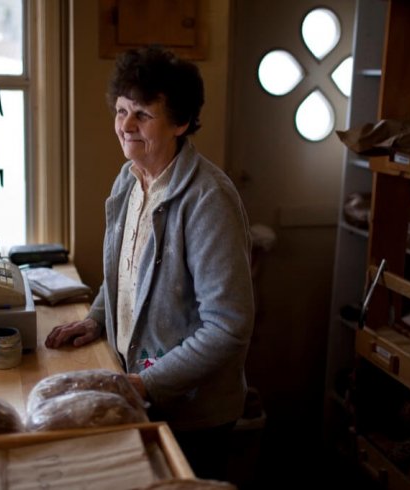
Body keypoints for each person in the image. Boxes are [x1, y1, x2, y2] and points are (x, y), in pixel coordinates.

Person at [45, 45, 255, 481]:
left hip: (193, 413)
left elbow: (229, 325)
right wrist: (98, 317)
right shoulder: (130, 178)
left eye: (142, 114)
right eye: (121, 111)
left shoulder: (208, 200)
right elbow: (125, 269)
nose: (125, 126)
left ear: (180, 123)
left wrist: (148, 383)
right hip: (142, 391)